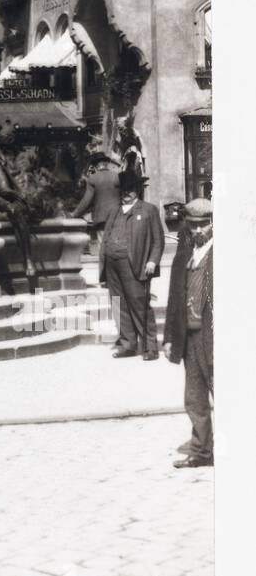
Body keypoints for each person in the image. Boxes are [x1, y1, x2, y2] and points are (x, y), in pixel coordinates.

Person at [163, 199, 214, 468]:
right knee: (194, 398)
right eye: (193, 225)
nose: (198, 231)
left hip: (215, 338)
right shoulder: (184, 255)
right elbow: (174, 299)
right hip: (190, 339)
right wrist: (170, 336)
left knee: (224, 393)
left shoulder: (225, 255)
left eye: (204, 224)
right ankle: (201, 452)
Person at [99, 173, 166, 359]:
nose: (126, 193)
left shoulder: (148, 210)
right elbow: (105, 238)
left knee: (139, 304)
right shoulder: (114, 211)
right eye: (124, 190)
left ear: (137, 190)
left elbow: (158, 240)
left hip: (135, 264)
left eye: (130, 189)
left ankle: (149, 347)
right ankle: (128, 344)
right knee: (118, 303)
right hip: (112, 265)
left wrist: (152, 261)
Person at [71, 151, 121, 256]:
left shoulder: (93, 178)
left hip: (101, 218)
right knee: (116, 246)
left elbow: (86, 200)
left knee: (103, 248)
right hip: (117, 216)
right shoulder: (117, 176)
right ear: (107, 164)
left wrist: (74, 214)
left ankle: (104, 270)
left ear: (96, 165)